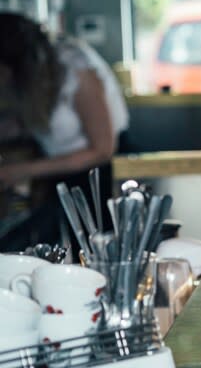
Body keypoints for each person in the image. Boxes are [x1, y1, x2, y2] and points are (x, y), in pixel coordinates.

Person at [0, 13, 128, 251]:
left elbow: (102, 150)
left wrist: (20, 171)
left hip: (95, 176)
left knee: (88, 253)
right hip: (58, 171)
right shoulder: (31, 82)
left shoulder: (75, 66)